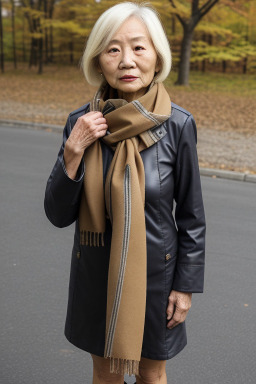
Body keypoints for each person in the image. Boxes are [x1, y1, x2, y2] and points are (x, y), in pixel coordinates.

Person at [44, 2, 206, 384]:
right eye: (113, 49)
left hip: (157, 278)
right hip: (96, 275)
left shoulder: (178, 125)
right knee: (106, 374)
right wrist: (73, 152)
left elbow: (192, 217)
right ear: (99, 60)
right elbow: (57, 214)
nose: (127, 60)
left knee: (151, 375)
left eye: (138, 47)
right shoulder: (81, 124)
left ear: (157, 57)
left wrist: (185, 286)